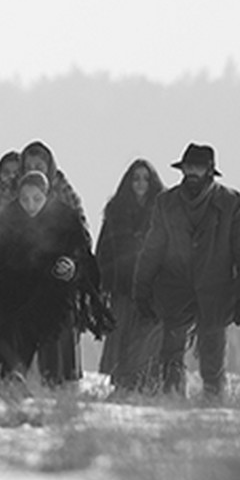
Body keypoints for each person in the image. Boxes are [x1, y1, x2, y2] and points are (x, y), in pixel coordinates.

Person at [133, 143, 240, 398]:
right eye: (188, 167)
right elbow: (152, 250)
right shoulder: (166, 203)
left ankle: (213, 409)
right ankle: (172, 407)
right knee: (170, 358)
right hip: (175, 289)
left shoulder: (232, 204)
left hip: (215, 291)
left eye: (198, 168)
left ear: (210, 171)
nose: (192, 173)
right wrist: (141, 291)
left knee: (212, 362)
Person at [0, 171, 106, 384]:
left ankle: (56, 389)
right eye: (25, 199)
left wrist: (72, 267)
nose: (30, 205)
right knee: (11, 349)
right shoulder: (9, 217)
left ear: (47, 196)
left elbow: (82, 257)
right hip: (16, 301)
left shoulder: (65, 219)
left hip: (54, 301)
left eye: (37, 199)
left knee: (55, 360)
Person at [95, 159, 164, 392]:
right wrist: (100, 282)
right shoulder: (115, 211)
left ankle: (145, 387)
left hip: (151, 290)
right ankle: (121, 387)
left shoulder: (162, 211)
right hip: (121, 287)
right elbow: (104, 248)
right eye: (136, 178)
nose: (140, 183)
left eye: (145, 178)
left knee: (146, 341)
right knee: (120, 340)